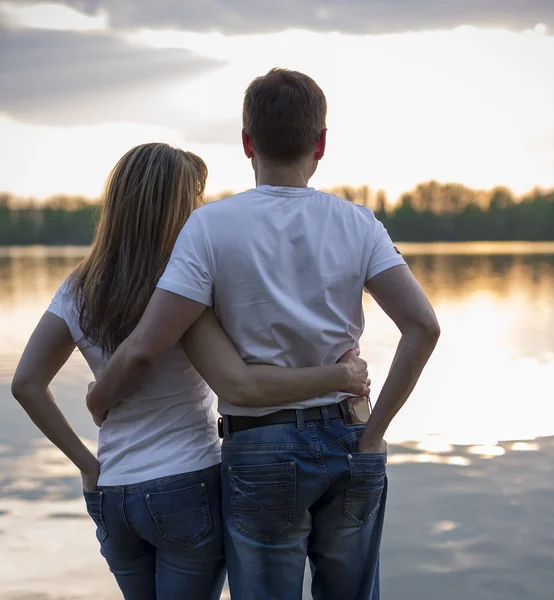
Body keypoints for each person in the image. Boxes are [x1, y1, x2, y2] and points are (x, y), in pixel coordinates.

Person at [86, 69, 441, 600]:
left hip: (259, 447)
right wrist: (374, 434)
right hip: (350, 439)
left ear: (247, 142)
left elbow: (145, 346)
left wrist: (99, 398)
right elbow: (423, 326)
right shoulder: (358, 223)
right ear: (320, 144)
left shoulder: (209, 228)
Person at [10, 142, 371, 600]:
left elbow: (26, 385)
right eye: (195, 196)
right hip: (187, 484)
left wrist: (87, 464)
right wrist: (341, 373)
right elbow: (240, 377)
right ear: (182, 206)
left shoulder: (80, 287)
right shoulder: (187, 291)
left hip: (113, 493)